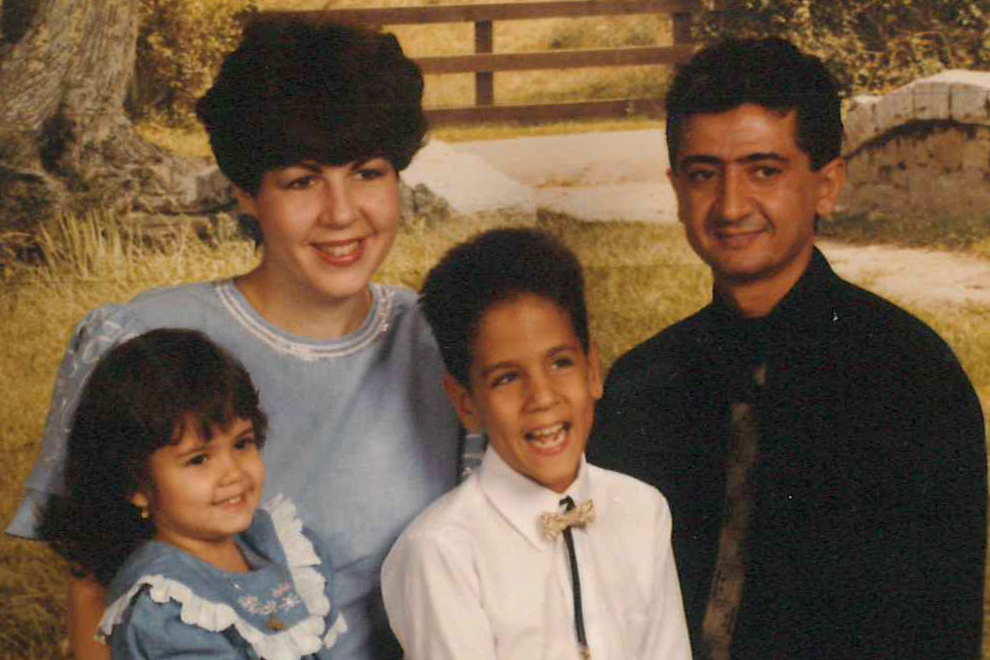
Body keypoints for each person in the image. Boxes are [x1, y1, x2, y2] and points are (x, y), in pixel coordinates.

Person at [6, 16, 461, 660]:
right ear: (247, 194)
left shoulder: (443, 340)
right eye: (301, 180)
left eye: (368, 172)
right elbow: (93, 591)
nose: (341, 213)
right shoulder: (142, 340)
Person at [590, 37, 987, 660]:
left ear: (826, 186)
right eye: (703, 174)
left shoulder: (912, 382)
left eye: (764, 171)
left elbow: (940, 628)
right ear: (675, 188)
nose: (730, 206)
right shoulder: (643, 387)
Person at [381, 228, 692, 659]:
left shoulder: (643, 509)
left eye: (561, 363)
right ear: (466, 402)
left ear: (593, 371)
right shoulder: (440, 552)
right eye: (507, 378)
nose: (542, 397)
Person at [41, 329, 346, 659]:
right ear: (135, 486)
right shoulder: (166, 610)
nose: (234, 473)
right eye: (199, 459)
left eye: (242, 443)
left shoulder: (274, 544)